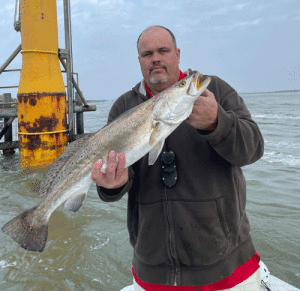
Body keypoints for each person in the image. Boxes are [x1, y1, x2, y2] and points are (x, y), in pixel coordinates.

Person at [91, 26, 264, 291]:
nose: (155, 58)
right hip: (152, 268)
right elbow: (119, 183)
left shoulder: (214, 90)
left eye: (163, 51)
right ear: (139, 61)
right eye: (147, 54)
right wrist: (110, 185)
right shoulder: (123, 107)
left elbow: (253, 149)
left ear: (177, 54)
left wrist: (218, 123)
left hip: (227, 265)